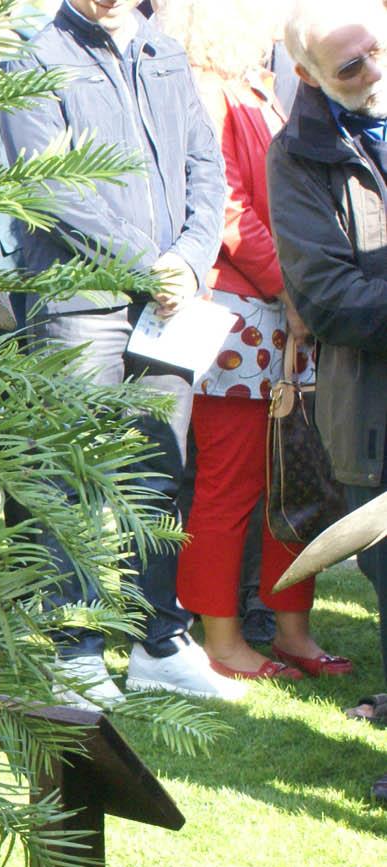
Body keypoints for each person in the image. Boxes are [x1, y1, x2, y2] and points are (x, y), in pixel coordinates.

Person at [0, 0, 239, 706]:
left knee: (160, 471)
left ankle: (156, 641)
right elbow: (49, 185)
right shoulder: (33, 55)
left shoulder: (162, 52)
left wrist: (190, 263)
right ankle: (71, 649)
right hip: (79, 300)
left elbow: (205, 167)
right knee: (68, 475)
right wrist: (149, 266)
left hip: (167, 301)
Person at [159, 0, 349, 681]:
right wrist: (289, 287)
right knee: (231, 483)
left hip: (278, 314)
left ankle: (289, 628)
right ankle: (221, 638)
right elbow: (227, 210)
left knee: (292, 475)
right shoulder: (206, 92)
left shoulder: (254, 88)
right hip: (237, 318)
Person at [270, 0, 387, 802]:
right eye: (349, 67)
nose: (372, 73)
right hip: (376, 414)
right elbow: (328, 296)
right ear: (309, 76)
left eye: (377, 51)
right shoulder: (296, 158)